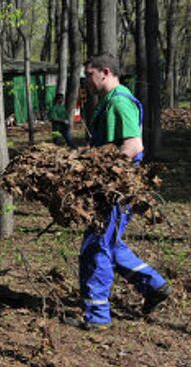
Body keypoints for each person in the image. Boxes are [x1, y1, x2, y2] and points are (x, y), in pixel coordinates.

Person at [65, 54, 170, 331]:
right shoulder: (108, 103)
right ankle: (154, 285)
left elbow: (133, 146)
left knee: (97, 248)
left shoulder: (120, 101)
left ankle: (98, 317)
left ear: (105, 72)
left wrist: (107, 180)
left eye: (89, 74)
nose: (86, 79)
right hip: (110, 189)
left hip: (116, 191)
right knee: (110, 244)